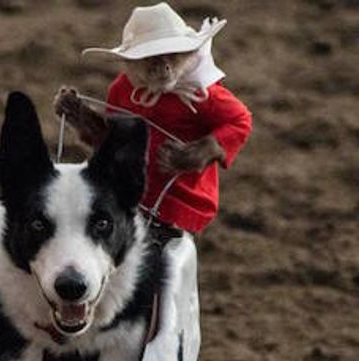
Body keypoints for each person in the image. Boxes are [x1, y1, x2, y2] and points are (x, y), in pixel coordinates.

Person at [55, 2, 252, 238]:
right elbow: (114, 142)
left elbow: (240, 120)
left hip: (177, 198)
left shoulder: (203, 94)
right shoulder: (123, 88)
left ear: (189, 54)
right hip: (125, 189)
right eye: (151, 59)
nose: (163, 67)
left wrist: (205, 149)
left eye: (172, 56)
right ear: (130, 62)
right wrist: (82, 117)